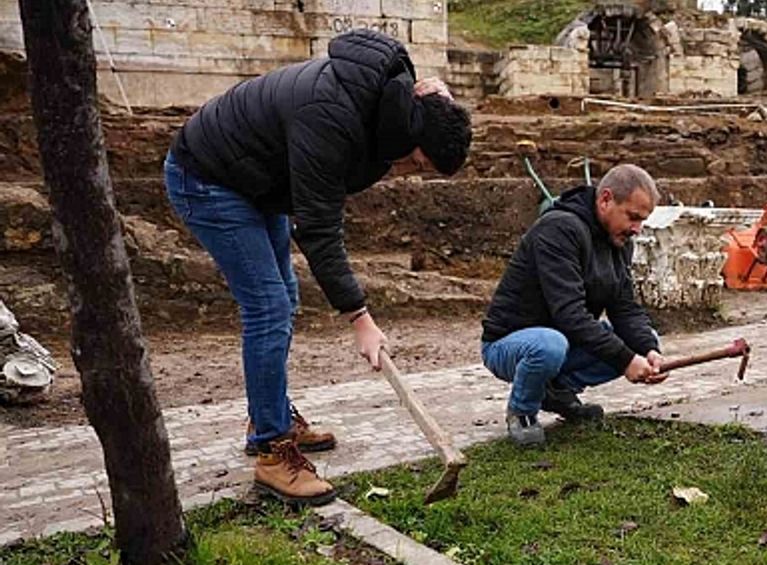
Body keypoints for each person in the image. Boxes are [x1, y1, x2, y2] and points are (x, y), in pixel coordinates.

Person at [164, 29, 472, 505]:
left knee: (283, 298)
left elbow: (423, 99)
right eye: (417, 162)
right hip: (208, 177)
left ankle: (268, 414)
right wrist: (360, 320)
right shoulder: (332, 119)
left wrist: (440, 108)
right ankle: (272, 454)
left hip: (258, 179)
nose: (409, 170)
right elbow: (319, 231)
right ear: (411, 132)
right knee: (268, 307)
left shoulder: (394, 102)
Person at [480, 164, 667, 446]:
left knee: (642, 340)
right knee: (549, 345)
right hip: (509, 343)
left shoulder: (619, 242)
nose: (637, 229)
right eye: (633, 217)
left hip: (565, 341)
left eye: (643, 220)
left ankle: (555, 393)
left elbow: (625, 308)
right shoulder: (558, 230)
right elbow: (569, 314)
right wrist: (625, 360)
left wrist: (648, 350)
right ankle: (522, 411)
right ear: (605, 200)